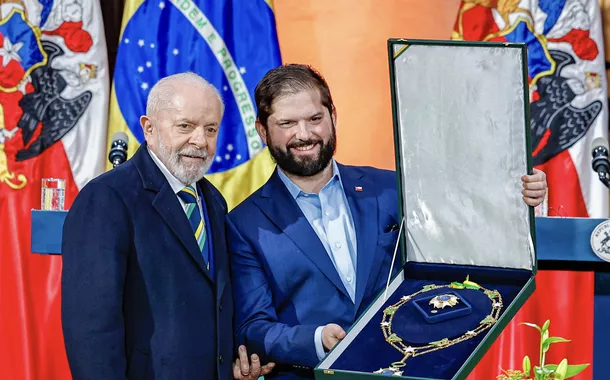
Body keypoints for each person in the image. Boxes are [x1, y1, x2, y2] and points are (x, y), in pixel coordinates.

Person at [226, 64, 548, 379]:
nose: (305, 134)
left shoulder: (392, 188)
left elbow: (468, 215)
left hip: (408, 370)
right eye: (287, 123)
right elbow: (254, 327)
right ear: (263, 130)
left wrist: (519, 191)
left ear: (333, 117)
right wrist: (316, 340)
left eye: (315, 119)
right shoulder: (245, 224)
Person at [61, 72, 273, 380]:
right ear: (148, 128)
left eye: (210, 128)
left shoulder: (214, 201)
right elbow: (91, 326)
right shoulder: (107, 198)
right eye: (185, 126)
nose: (200, 140)